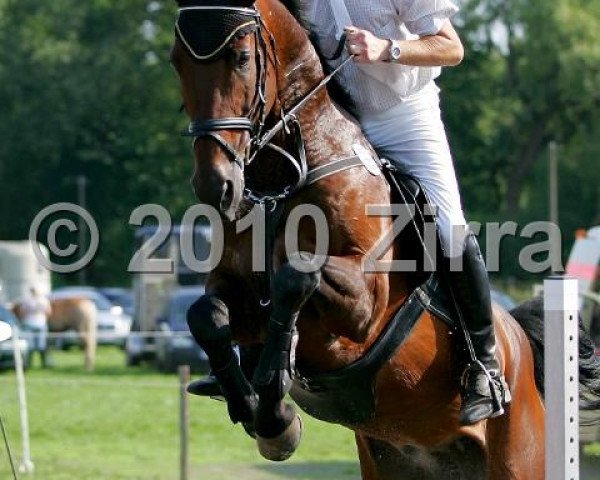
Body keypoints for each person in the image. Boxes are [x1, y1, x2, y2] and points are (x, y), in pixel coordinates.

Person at [190, 0, 511, 426]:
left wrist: (386, 48)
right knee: (262, 202)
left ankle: (483, 366)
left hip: (404, 115)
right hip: (328, 115)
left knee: (448, 227)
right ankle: (249, 354)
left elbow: (451, 49)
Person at [18, 286, 52, 368]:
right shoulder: (42, 300)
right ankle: (39, 364)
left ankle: (33, 364)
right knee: (36, 346)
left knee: (35, 346)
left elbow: (22, 312)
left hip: (33, 324)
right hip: (37, 324)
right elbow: (49, 312)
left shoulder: (28, 300)